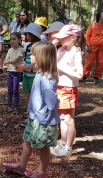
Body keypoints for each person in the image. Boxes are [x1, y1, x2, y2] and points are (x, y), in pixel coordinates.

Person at [3, 42, 60, 178]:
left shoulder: (46, 79)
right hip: (35, 117)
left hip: (44, 121)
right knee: (27, 140)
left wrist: (56, 102)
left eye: (33, 55)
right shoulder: (40, 74)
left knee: (44, 147)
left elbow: (52, 104)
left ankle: (41, 172)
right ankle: (21, 166)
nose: (31, 57)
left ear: (41, 58)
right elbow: (36, 97)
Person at [50, 24, 84, 157]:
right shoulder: (61, 50)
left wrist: (61, 67)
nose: (61, 40)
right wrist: (53, 46)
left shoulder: (76, 52)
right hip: (59, 87)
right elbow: (51, 60)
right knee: (62, 117)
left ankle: (68, 147)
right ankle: (63, 142)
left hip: (69, 89)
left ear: (73, 37)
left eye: (64, 37)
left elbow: (80, 74)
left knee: (68, 119)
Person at [16, 23, 41, 127]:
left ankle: (35, 118)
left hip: (33, 77)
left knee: (35, 98)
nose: (26, 36)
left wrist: (23, 68)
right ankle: (30, 116)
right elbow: (27, 61)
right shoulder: (28, 46)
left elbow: (36, 66)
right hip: (26, 75)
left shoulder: (39, 47)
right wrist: (22, 66)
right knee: (28, 97)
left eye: (28, 34)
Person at [3, 32, 23, 113]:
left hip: (16, 72)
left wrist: (10, 61)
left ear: (19, 40)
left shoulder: (21, 50)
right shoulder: (10, 50)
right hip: (9, 72)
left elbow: (16, 60)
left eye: (14, 39)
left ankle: (16, 107)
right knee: (10, 90)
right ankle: (9, 105)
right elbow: (4, 61)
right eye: (11, 39)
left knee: (15, 90)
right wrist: (11, 61)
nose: (12, 41)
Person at [82, 11, 103, 84]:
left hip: (102, 48)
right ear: (99, 17)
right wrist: (88, 45)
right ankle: (84, 75)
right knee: (90, 62)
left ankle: (96, 77)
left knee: (100, 63)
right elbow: (88, 36)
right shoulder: (92, 25)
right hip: (92, 47)